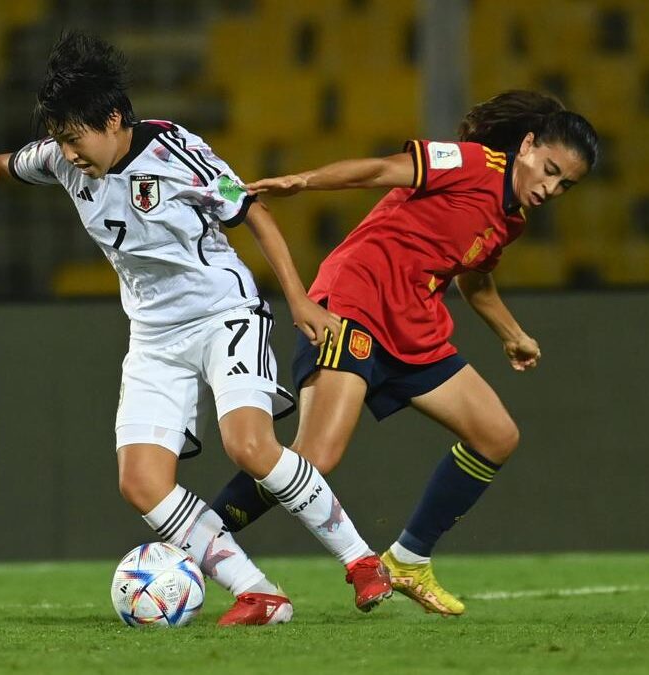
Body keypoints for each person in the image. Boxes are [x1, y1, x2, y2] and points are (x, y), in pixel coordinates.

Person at [0, 31, 392, 626]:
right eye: (58, 140)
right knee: (142, 483)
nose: (66, 153)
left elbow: (255, 214)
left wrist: (298, 299)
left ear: (114, 120)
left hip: (223, 313)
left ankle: (362, 561)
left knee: (249, 446)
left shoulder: (177, 152)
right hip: (153, 337)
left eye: (74, 139)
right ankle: (258, 593)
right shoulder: (61, 160)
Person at [212, 90, 598, 616]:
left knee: (496, 435)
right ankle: (199, 536)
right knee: (314, 459)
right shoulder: (472, 163)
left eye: (565, 184)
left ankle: (409, 559)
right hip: (355, 305)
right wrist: (303, 181)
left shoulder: (511, 220)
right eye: (550, 170)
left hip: (413, 328)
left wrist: (512, 334)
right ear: (527, 145)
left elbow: (475, 281)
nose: (551, 188)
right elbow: (379, 170)